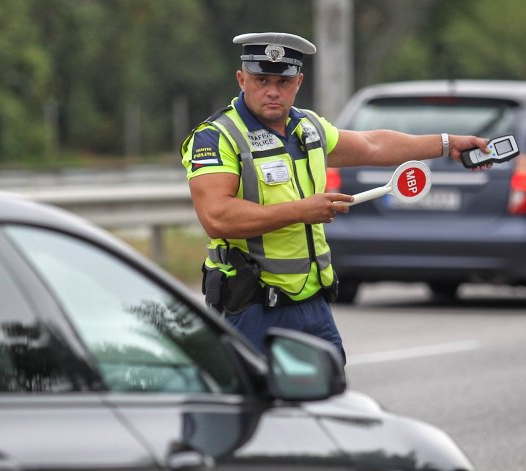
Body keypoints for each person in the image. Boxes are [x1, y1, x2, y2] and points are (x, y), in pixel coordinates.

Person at [180, 32, 491, 362]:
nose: (272, 91)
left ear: (298, 82)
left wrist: (446, 144)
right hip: (250, 306)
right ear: (241, 80)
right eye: (261, 80)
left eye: (283, 81)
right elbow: (216, 217)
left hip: (312, 301)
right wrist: (301, 211)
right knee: (255, 395)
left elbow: (372, 145)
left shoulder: (308, 127)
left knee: (329, 391)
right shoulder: (216, 137)